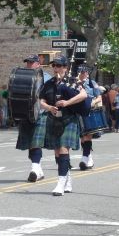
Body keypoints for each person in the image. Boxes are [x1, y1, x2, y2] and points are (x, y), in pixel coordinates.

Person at [34, 54, 87, 195]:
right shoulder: (49, 83)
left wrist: (67, 103)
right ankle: (67, 179)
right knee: (57, 152)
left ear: (65, 67)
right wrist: (49, 108)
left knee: (63, 149)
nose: (55, 68)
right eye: (54, 65)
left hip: (69, 118)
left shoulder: (72, 81)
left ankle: (60, 183)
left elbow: (84, 95)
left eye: (58, 65)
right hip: (54, 118)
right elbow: (41, 101)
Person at [15, 54, 51, 182]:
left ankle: (34, 168)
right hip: (25, 114)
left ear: (38, 64)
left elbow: (50, 94)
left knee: (36, 142)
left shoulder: (46, 78)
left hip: (40, 113)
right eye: (28, 62)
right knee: (31, 143)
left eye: (32, 62)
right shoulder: (21, 76)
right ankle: (38, 170)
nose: (29, 65)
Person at [77, 65, 102, 170]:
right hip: (78, 112)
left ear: (87, 73)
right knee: (82, 137)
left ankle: (84, 158)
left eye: (83, 72)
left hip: (89, 111)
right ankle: (89, 159)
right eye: (79, 72)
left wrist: (93, 102)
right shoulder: (75, 83)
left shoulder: (92, 83)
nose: (81, 74)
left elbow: (99, 97)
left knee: (87, 135)